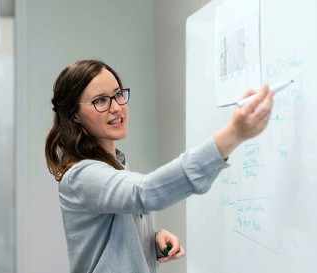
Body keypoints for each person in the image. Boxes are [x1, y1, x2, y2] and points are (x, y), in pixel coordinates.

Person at [44, 59, 274, 273]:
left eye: (118, 95)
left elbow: (111, 244)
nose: (116, 107)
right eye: (101, 100)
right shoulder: (82, 176)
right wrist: (232, 135)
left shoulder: (118, 166)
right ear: (74, 115)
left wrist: (150, 239)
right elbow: (144, 192)